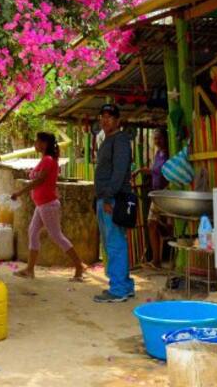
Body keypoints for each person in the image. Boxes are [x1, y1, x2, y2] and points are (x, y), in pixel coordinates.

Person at [11, 131, 86, 282]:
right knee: (33, 232)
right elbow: (39, 178)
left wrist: (20, 192)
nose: (35, 144)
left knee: (57, 236)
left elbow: (39, 181)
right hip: (42, 205)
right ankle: (30, 270)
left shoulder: (48, 160)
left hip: (48, 205)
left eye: (37, 141)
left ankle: (79, 266)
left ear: (44, 144)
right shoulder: (46, 160)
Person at [93, 102, 134, 303]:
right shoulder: (107, 140)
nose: (105, 120)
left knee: (115, 243)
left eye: (109, 116)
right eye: (103, 116)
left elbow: (118, 173)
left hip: (113, 199)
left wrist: (108, 198)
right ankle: (124, 285)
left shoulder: (120, 140)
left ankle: (118, 290)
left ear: (118, 120)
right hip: (105, 198)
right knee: (113, 243)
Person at [136, 128, 173, 269]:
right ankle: (156, 260)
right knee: (151, 223)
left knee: (168, 227)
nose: (157, 141)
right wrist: (139, 170)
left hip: (166, 194)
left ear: (165, 139)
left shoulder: (169, 154)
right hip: (156, 195)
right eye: (155, 139)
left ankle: (167, 257)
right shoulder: (158, 154)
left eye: (160, 138)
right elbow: (154, 171)